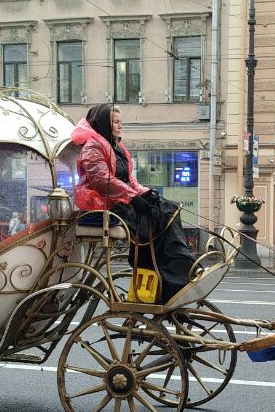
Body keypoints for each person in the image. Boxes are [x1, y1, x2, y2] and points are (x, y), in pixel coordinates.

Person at [73, 104, 195, 302]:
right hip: (104, 204)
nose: (120, 126)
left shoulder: (118, 148)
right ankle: (175, 274)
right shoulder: (92, 147)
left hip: (121, 200)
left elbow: (130, 180)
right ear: (104, 124)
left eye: (120, 122)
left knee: (168, 208)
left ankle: (176, 272)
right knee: (156, 217)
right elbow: (102, 181)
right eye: (115, 122)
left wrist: (145, 193)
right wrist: (133, 197)